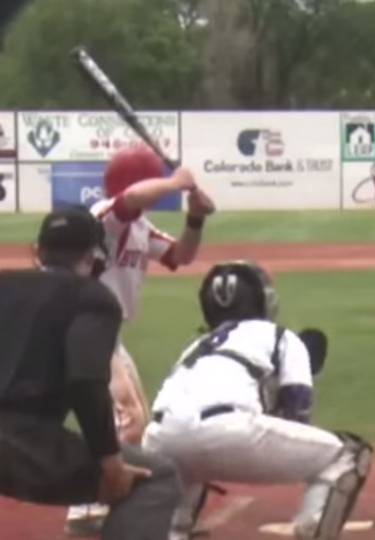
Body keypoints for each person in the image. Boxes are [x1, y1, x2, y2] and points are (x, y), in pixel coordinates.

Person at [142, 261, 373, 540]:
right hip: (226, 432)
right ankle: (313, 529)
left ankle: (174, 530)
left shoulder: (197, 345)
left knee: (188, 467)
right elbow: (298, 409)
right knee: (348, 454)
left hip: (158, 439)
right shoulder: (279, 336)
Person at [0, 207, 182, 540]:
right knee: (155, 477)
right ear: (95, 257)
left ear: (37, 250)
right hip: (23, 443)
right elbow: (85, 379)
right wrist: (110, 461)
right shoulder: (93, 297)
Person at [67, 147, 216, 535]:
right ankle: (85, 508)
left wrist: (195, 217)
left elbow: (181, 255)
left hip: (108, 333)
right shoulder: (108, 217)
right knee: (127, 419)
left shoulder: (137, 228)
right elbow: (131, 198)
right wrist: (176, 182)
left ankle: (103, 502)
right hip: (84, 327)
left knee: (138, 422)